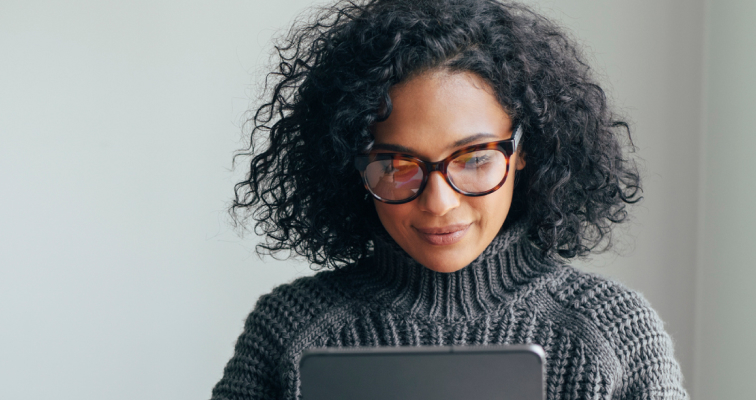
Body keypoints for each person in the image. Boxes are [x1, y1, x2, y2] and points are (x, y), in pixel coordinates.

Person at [213, 0, 688, 398]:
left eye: (474, 158)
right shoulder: (289, 329)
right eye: (398, 166)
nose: (439, 203)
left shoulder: (614, 332)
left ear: (523, 149)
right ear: (351, 164)